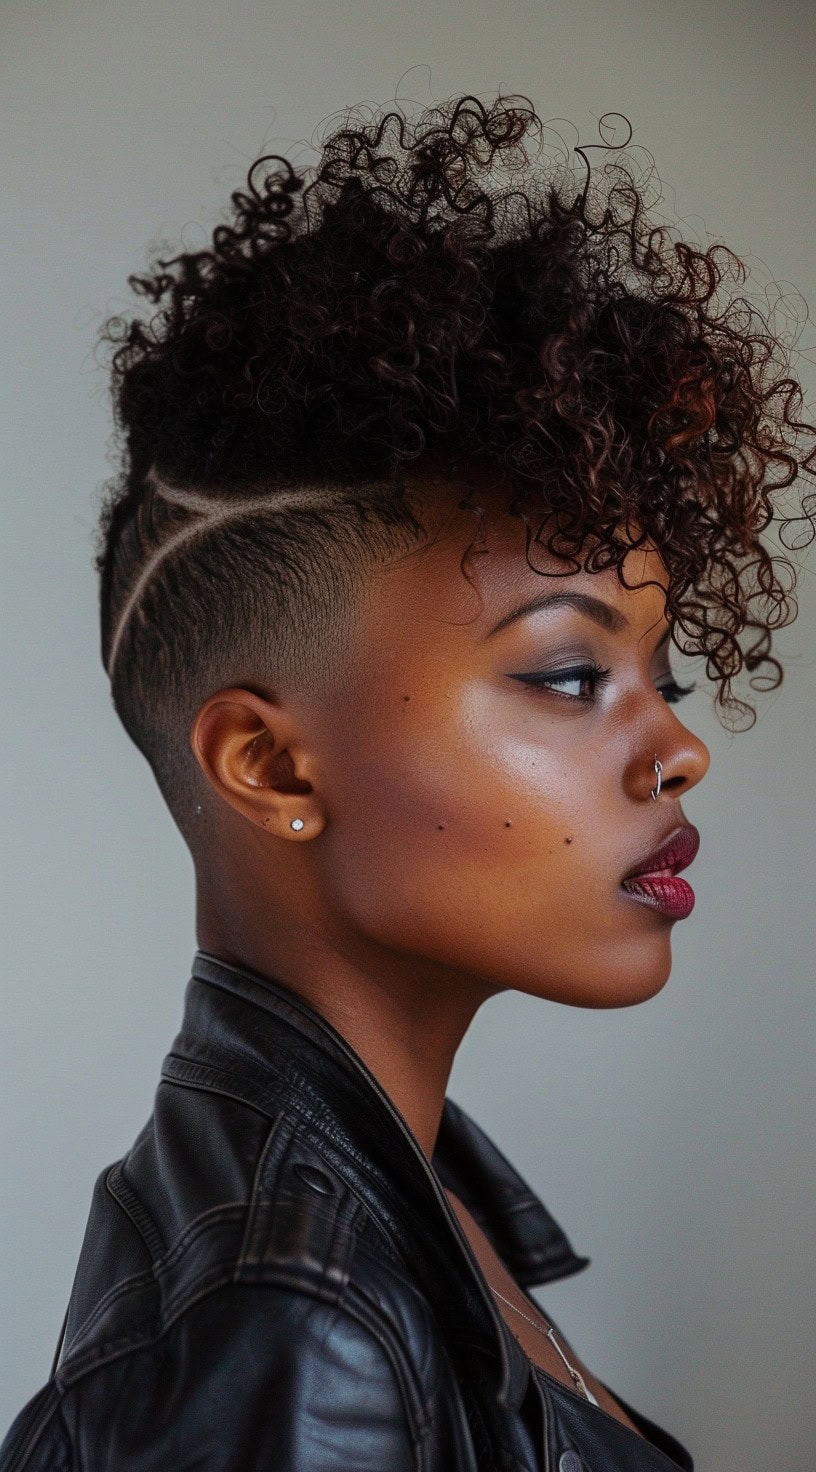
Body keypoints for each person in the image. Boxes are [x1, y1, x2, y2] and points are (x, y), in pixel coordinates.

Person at [2, 92, 813, 1472]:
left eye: (660, 682)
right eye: (567, 676)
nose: (679, 748)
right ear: (266, 764)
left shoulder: (407, 1201)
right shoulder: (288, 1322)